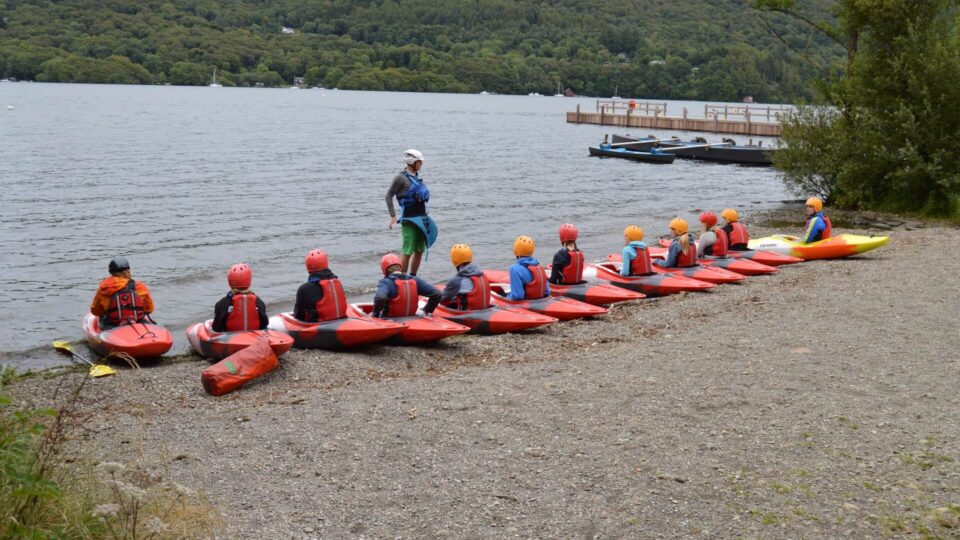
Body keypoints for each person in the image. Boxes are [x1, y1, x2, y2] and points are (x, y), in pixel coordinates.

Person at [385, 149, 436, 276]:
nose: (421, 164)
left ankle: (413, 277)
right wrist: (393, 216)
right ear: (412, 162)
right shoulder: (400, 178)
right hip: (409, 220)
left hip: (421, 219)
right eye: (420, 162)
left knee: (419, 250)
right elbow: (388, 195)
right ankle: (402, 280)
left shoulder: (417, 178)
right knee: (407, 251)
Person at [90, 257, 155, 327]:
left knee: (102, 318)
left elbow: (96, 311)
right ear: (125, 272)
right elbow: (149, 309)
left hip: (113, 324)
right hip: (136, 321)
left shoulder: (103, 288)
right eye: (129, 271)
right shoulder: (140, 286)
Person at [373, 253, 441, 318]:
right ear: (400, 266)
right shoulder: (415, 280)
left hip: (391, 320)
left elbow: (380, 297)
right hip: (412, 318)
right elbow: (437, 294)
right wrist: (427, 310)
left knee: (366, 314)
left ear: (384, 269)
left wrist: (375, 315)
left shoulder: (385, 282)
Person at [211, 263, 269, 332]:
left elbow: (216, 328)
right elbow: (264, 324)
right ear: (249, 281)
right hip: (253, 337)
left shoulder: (222, 304)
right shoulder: (259, 302)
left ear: (230, 281)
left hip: (229, 339)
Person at [293, 249, 348, 322]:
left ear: (308, 266)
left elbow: (298, 317)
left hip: (319, 329)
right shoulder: (337, 283)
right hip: (342, 323)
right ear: (326, 263)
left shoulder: (304, 289)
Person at [440, 244, 491, 310]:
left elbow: (441, 299)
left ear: (454, 260)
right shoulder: (482, 275)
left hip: (467, 315)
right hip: (484, 311)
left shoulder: (456, 280)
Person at [506, 235, 550, 301]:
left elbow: (518, 296)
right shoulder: (539, 267)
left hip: (525, 304)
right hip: (540, 302)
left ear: (516, 250)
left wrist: (506, 296)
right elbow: (547, 291)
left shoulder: (514, 269)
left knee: (502, 294)